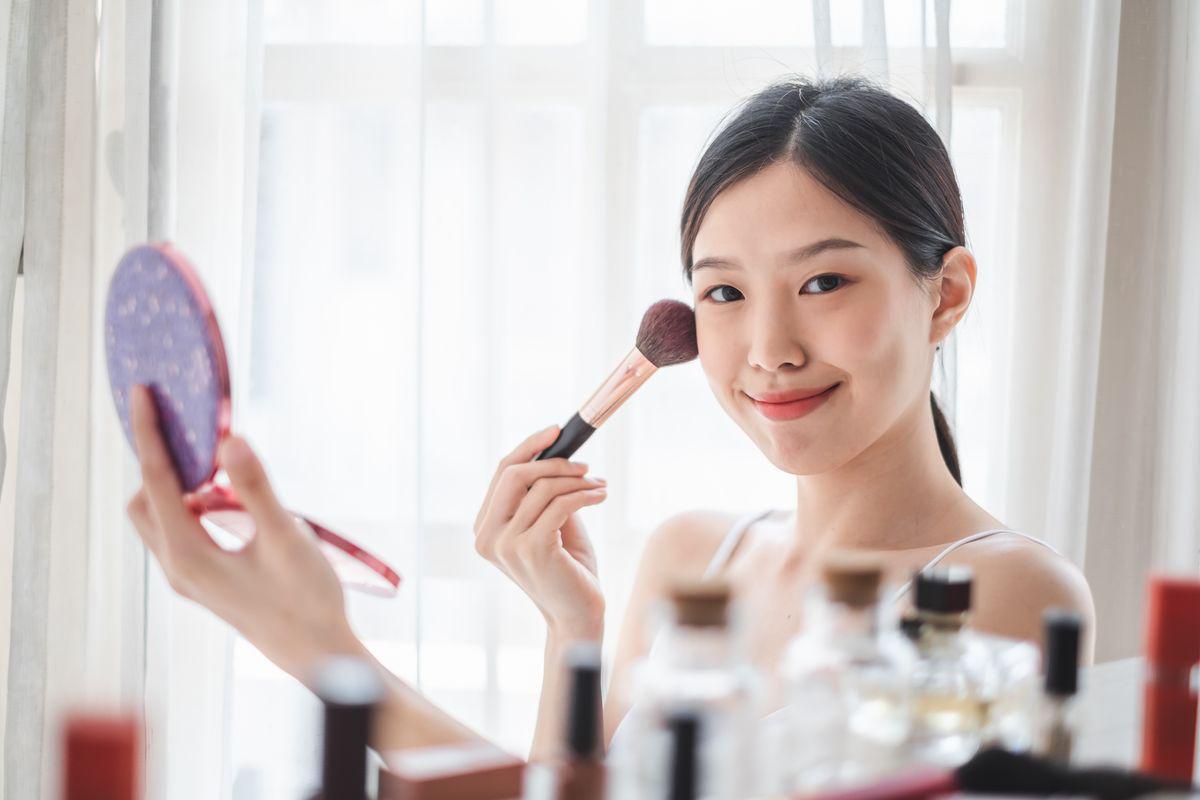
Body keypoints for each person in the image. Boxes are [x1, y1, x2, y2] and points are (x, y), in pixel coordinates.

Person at [126, 75, 1095, 761]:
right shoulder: (690, 557)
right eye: (722, 294)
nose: (769, 347)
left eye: (824, 280)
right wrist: (566, 627)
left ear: (949, 293)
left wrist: (320, 645)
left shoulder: (996, 589)